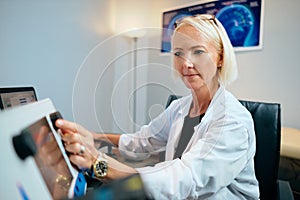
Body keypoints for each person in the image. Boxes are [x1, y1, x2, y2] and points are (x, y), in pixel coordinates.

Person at [55, 14, 260, 199]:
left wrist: (97, 164)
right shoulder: (180, 107)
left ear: (220, 58)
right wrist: (95, 136)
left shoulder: (232, 121)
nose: (186, 64)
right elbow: (141, 141)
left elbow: (184, 180)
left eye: (198, 51)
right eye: (178, 53)